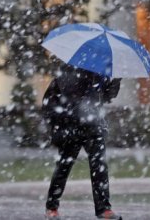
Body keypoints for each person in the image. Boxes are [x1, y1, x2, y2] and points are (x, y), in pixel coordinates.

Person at [43, 64, 122, 220]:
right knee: (64, 166)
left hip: (93, 126)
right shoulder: (70, 70)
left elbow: (105, 96)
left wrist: (116, 82)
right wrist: (59, 126)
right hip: (71, 126)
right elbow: (61, 99)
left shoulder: (101, 73)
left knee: (99, 166)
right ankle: (51, 207)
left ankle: (104, 209)